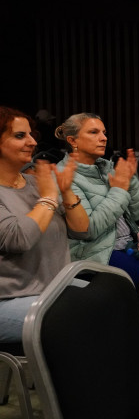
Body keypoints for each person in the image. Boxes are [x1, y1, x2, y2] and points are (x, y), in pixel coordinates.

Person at [0, 106, 89, 343]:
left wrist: (67, 191)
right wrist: (49, 196)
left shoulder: (34, 183)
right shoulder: (42, 190)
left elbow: (81, 231)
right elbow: (19, 239)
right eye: (20, 136)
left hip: (53, 288)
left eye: (31, 134)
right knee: (86, 318)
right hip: (9, 299)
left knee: (116, 296)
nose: (32, 141)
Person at [55, 113, 139, 287]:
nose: (104, 138)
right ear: (73, 141)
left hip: (127, 243)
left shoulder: (107, 168)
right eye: (94, 132)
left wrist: (131, 180)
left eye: (104, 132)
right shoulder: (64, 176)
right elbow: (89, 230)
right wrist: (119, 190)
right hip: (95, 254)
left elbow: (136, 214)